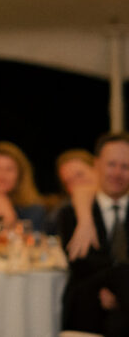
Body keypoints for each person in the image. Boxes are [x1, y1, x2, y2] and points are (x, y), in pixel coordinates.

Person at [57, 133, 129, 336]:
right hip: (89, 303)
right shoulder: (72, 213)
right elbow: (81, 262)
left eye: (125, 167)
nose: (117, 173)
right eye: (111, 164)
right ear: (97, 164)